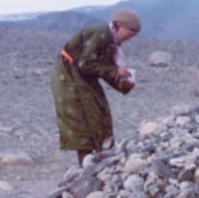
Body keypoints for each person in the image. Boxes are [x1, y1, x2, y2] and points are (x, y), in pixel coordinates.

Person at [51, 10, 141, 164]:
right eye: (130, 33)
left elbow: (102, 68)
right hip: (69, 77)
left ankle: (102, 158)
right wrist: (115, 71)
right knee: (81, 118)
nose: (130, 38)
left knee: (99, 111)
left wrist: (124, 84)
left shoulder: (110, 42)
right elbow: (85, 64)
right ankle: (86, 164)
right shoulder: (100, 35)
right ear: (120, 27)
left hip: (82, 77)